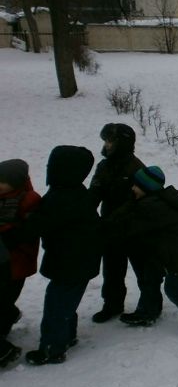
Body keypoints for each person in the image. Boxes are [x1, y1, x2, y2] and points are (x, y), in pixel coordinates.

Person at [108, 166, 178, 335]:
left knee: (174, 289)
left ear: (147, 188)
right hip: (170, 247)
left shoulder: (151, 207)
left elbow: (126, 227)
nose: (132, 188)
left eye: (136, 185)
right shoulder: (154, 199)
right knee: (150, 275)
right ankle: (148, 311)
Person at [23, 146, 102, 365]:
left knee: (56, 305)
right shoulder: (74, 191)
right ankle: (66, 336)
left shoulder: (62, 197)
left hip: (71, 262)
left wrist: (26, 220)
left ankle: (52, 348)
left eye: (53, 165)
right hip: (78, 260)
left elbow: (39, 224)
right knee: (65, 302)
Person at [88, 123, 145, 323]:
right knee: (112, 269)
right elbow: (94, 193)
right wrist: (86, 211)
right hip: (110, 227)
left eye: (110, 141)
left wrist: (113, 220)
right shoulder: (104, 166)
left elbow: (137, 201)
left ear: (123, 143)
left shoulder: (136, 168)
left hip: (134, 228)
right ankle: (112, 304)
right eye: (106, 141)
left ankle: (150, 305)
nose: (107, 144)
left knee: (144, 270)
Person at [0, 159, 41, 368]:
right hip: (3, 259)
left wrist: (9, 234)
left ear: (15, 182)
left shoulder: (29, 200)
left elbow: (31, 230)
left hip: (16, 262)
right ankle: (8, 316)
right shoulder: (3, 196)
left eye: (2, 182)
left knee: (4, 296)